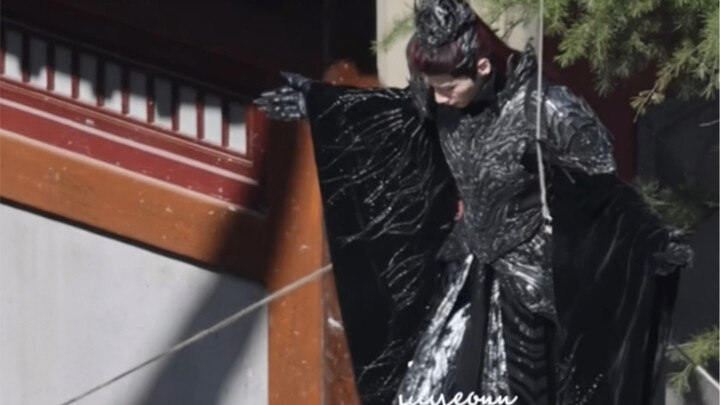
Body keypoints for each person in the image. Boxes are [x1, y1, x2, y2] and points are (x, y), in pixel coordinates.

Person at [255, 1, 693, 404]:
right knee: (425, 389)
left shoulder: (544, 108)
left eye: (447, 88)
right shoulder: (439, 96)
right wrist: (319, 104)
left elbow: (603, 189)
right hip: (467, 269)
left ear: (482, 67)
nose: (437, 99)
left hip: (527, 283)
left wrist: (652, 239)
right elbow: (391, 118)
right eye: (432, 88)